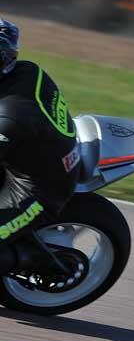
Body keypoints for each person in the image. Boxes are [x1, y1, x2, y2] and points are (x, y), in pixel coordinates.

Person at [0, 18, 79, 270]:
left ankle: (33, 260)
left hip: (35, 188)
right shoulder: (24, 69)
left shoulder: (10, 116)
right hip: (23, 154)